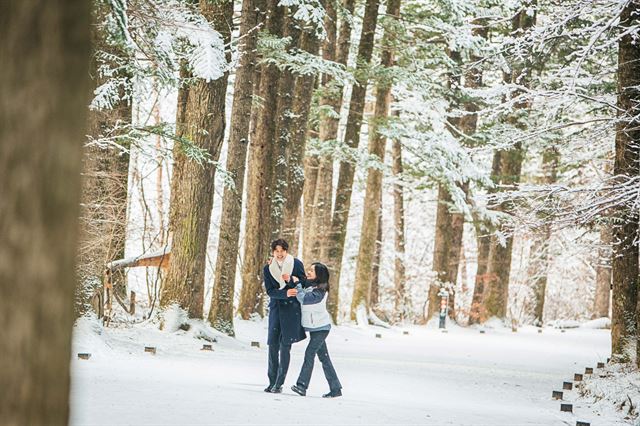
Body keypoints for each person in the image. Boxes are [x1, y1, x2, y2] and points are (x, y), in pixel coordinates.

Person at [289, 262, 342, 398]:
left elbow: (304, 299)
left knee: (309, 354)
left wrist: (298, 285)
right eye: (309, 269)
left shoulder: (320, 290)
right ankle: (335, 388)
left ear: (319, 274)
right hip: (315, 328)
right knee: (324, 358)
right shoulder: (310, 285)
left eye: (312, 270)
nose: (308, 272)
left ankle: (302, 386)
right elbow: (300, 278)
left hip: (321, 328)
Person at [263, 238, 306, 393]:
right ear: (273, 252)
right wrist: (285, 293)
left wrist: (293, 281)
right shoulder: (268, 268)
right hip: (275, 309)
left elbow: (304, 283)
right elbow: (270, 291)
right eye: (277, 251)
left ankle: (279, 383)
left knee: (285, 346)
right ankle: (271, 381)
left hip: (291, 310)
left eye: (282, 251)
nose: (279, 254)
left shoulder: (296, 264)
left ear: (286, 251)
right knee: (273, 345)